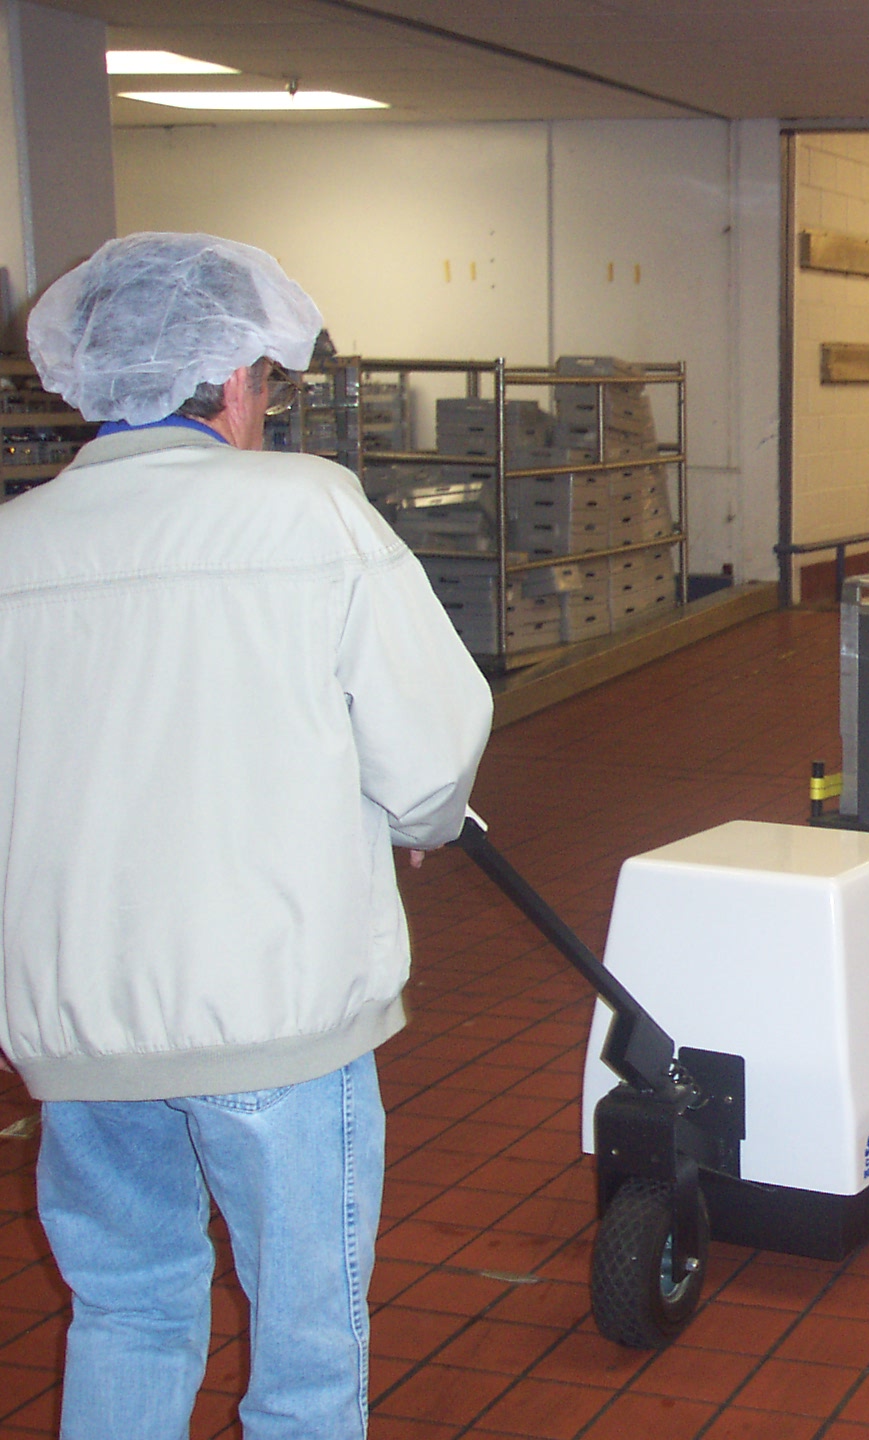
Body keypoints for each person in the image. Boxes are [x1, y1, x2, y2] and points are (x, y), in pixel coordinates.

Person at [0, 233, 493, 1439]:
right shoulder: (307, 510)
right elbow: (431, 748)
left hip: (81, 1033)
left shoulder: (12, 547)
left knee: (125, 1311)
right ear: (233, 383)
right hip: (277, 1018)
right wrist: (413, 817)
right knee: (308, 1357)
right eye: (267, 384)